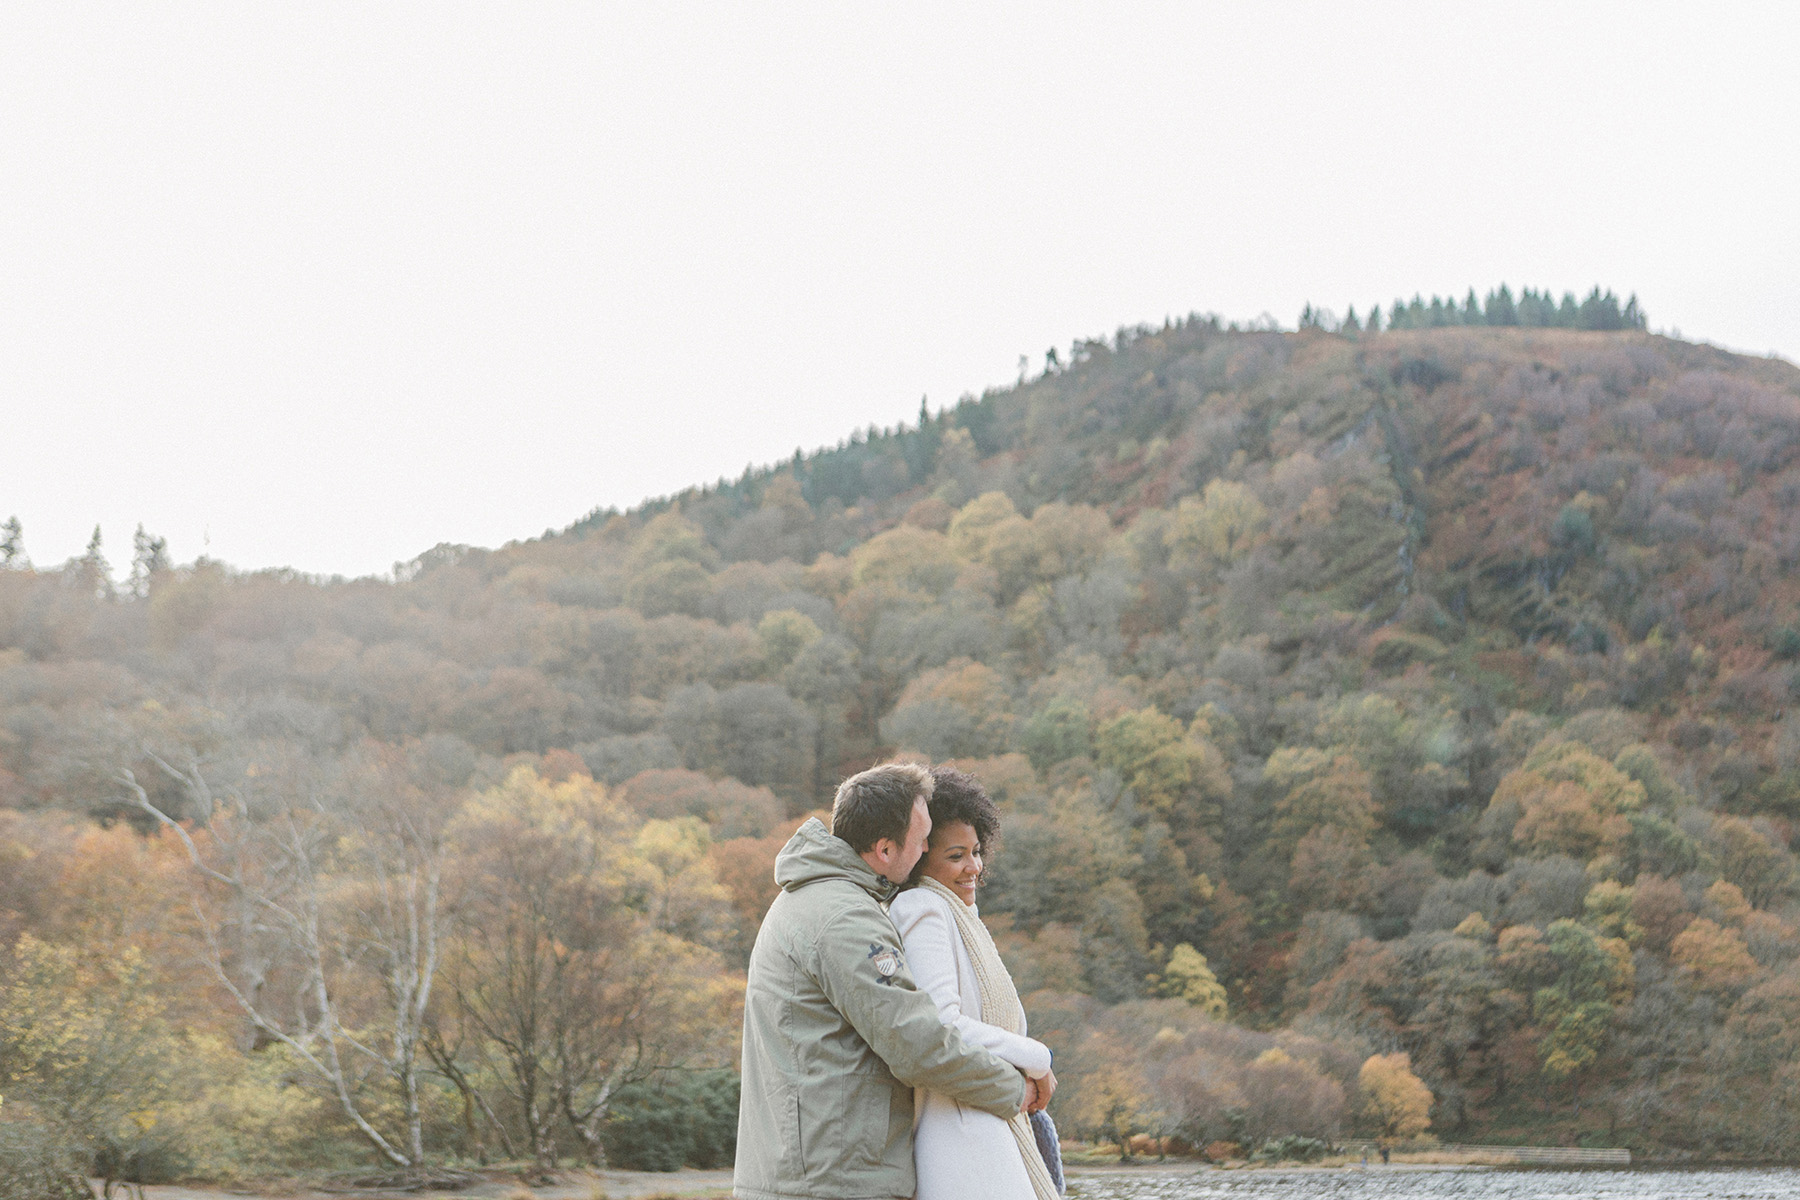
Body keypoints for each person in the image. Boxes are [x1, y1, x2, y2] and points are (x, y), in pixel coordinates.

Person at [734, 762, 1033, 1200]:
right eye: (922, 839)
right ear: (886, 850)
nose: (928, 848)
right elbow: (917, 1044)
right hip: (832, 1180)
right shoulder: (847, 918)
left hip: (807, 1172)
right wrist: (1014, 1087)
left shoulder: (814, 897)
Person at [888, 767, 1061, 1200]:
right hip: (961, 1139)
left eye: (977, 851)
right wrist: (1037, 1058)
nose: (974, 867)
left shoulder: (962, 918)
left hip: (984, 1127)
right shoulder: (922, 908)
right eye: (956, 855)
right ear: (922, 857)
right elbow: (942, 1024)